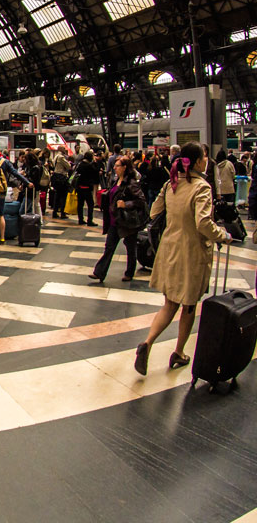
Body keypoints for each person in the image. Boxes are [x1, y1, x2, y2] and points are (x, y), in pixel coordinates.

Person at [132, 142, 234, 375]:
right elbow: (203, 223)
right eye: (204, 157)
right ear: (198, 161)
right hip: (192, 252)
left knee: (169, 304)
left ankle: (147, 342)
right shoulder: (202, 187)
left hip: (170, 249)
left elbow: (154, 211)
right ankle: (179, 352)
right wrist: (223, 235)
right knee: (188, 305)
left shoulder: (171, 183)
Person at [88, 156, 145, 283]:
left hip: (126, 221)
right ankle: (99, 272)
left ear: (125, 167)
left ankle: (129, 272)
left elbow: (141, 201)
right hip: (115, 220)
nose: (114, 168)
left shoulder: (131, 183)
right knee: (109, 247)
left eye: (117, 166)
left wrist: (126, 204)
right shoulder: (115, 180)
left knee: (130, 248)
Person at [0, 143, 32, 243]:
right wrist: (27, 182)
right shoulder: (5, 162)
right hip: (2, 192)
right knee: (1, 215)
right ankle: (2, 237)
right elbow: (15, 173)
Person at [74, 152, 99, 226]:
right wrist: (95, 162)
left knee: (80, 204)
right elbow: (95, 172)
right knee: (90, 204)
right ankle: (89, 220)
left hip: (79, 187)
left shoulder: (80, 164)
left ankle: (80, 219)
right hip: (87, 187)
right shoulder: (89, 166)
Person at [50, 149, 71, 219]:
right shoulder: (61, 157)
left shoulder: (56, 156)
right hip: (61, 177)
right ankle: (62, 212)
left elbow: (53, 164)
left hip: (56, 177)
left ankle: (55, 211)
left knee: (57, 195)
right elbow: (68, 166)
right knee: (63, 196)